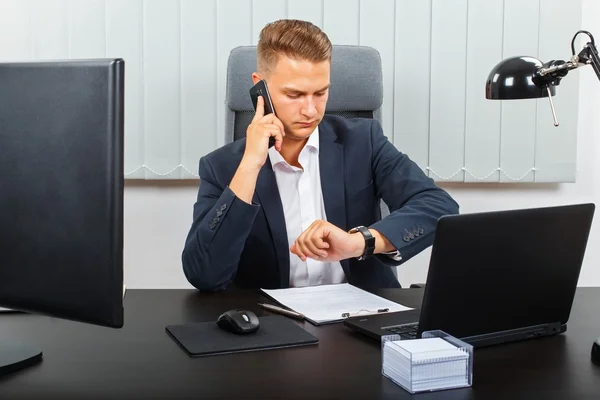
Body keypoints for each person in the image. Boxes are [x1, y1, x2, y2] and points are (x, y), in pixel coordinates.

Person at [182, 19, 459, 292]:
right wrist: (251, 165)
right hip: (273, 323)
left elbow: (438, 207)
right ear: (260, 88)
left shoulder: (364, 141)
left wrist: (359, 242)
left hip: (362, 316)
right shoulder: (222, 166)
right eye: (294, 94)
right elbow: (204, 273)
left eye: (320, 93)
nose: (311, 110)